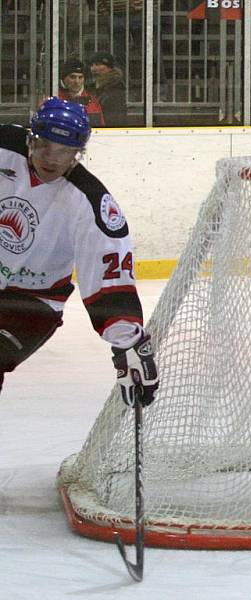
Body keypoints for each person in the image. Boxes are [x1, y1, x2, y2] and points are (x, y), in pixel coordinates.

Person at [0, 97, 158, 407]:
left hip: (32, 302)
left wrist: (127, 343)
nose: (51, 159)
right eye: (44, 145)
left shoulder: (90, 201)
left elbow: (109, 278)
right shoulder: (4, 147)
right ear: (31, 137)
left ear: (78, 154)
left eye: (64, 152)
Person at [58, 58, 105, 127]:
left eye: (80, 77)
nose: (77, 81)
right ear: (64, 78)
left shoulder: (93, 101)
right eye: (72, 77)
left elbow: (101, 128)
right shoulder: (55, 99)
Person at [88, 51, 128, 127]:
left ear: (109, 67)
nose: (93, 68)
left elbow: (115, 120)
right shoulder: (93, 87)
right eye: (92, 65)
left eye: (98, 65)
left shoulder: (116, 88)